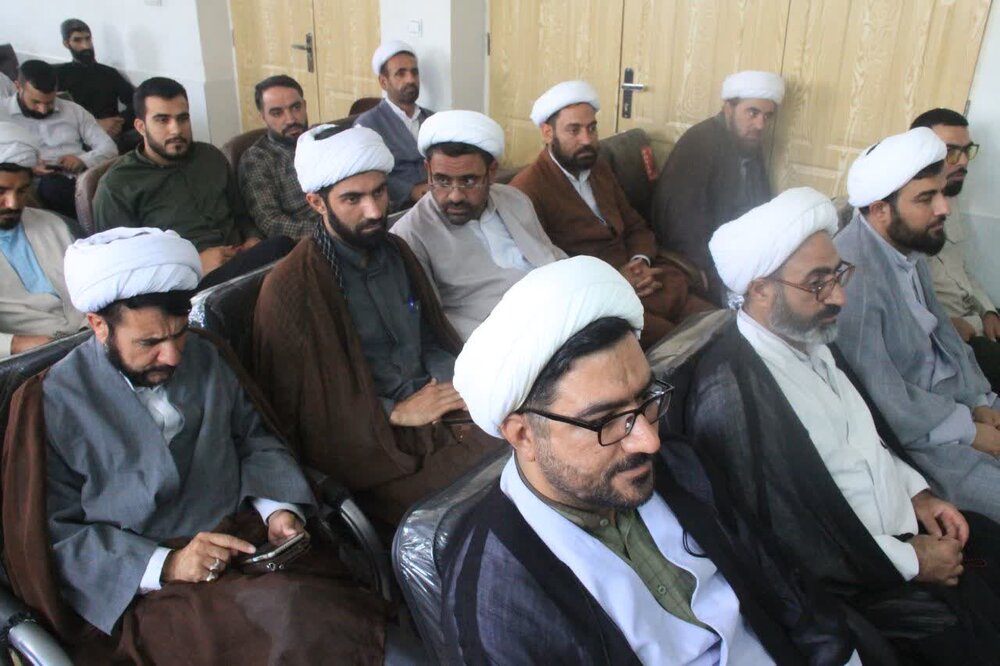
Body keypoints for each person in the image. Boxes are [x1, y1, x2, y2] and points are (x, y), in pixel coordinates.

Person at [442, 255, 862, 664]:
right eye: (605, 420)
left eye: (646, 399)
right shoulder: (496, 605)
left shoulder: (680, 466)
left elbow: (784, 589)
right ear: (523, 435)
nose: (649, 440)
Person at [1, 227, 387, 664]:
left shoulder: (205, 353)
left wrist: (277, 509)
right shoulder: (49, 402)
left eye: (179, 334)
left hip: (248, 541)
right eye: (149, 343)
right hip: (148, 587)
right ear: (98, 325)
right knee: (281, 626)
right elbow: (56, 536)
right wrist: (167, 564)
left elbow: (253, 438)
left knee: (323, 614)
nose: (172, 356)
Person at [689, 187, 1000, 663]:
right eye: (818, 282)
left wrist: (918, 495)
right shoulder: (732, 394)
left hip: (908, 534)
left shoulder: (810, 337)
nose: (838, 296)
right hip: (861, 584)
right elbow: (789, 542)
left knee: (989, 545)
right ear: (759, 288)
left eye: (837, 274)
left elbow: (870, 439)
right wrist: (912, 561)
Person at [253, 126, 504, 528]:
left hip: (440, 411)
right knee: (475, 510)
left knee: (529, 449)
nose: (374, 211)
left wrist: (455, 385)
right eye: (353, 199)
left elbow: (430, 339)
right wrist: (393, 412)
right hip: (370, 449)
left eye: (379, 192)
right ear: (316, 202)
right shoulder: (290, 288)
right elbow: (299, 414)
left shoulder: (396, 252)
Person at [835, 127, 1000, 524]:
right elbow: (882, 399)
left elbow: (946, 337)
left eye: (941, 193)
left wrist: (981, 402)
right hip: (924, 441)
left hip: (959, 406)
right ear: (880, 209)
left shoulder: (906, 245)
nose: (944, 208)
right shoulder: (852, 276)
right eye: (926, 198)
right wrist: (970, 430)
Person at [511, 80, 714, 350]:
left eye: (592, 128)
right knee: (682, 347)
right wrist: (616, 280)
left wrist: (639, 260)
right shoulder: (527, 190)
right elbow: (548, 272)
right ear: (548, 133)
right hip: (600, 301)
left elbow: (635, 225)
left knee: (719, 322)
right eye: (574, 130)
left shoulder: (598, 167)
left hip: (645, 281)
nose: (587, 140)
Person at [93, 77, 293, 289]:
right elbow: (122, 269)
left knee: (296, 253)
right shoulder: (117, 185)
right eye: (163, 120)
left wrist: (253, 239)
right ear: (141, 126)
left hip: (242, 262)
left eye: (182, 119)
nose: (176, 130)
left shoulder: (210, 157)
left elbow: (241, 214)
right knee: (283, 249)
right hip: (184, 284)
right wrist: (193, 263)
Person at [391, 110, 565, 340]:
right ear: (428, 172)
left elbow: (552, 256)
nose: (455, 196)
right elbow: (433, 322)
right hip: (506, 338)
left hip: (562, 305)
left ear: (492, 172)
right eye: (442, 180)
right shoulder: (410, 235)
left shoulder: (515, 199)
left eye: (469, 180)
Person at [651, 70, 784, 304]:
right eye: (752, 113)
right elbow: (678, 220)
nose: (760, 124)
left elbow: (759, 205)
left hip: (744, 250)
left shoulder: (748, 140)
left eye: (767, 116)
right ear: (728, 107)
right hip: (708, 259)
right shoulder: (700, 143)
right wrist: (701, 265)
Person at [909, 108, 1000, 390]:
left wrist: (988, 311)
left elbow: (962, 268)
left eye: (966, 151)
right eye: (950, 152)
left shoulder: (950, 198)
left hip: (976, 318)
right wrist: (952, 325)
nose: (963, 161)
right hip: (950, 337)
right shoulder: (903, 215)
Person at [0, 122, 83, 358]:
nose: (13, 204)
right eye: (1, 191)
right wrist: (16, 345)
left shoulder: (52, 224)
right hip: (24, 361)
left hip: (88, 339)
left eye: (21, 191)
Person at [0, 59, 116, 219]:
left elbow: (109, 148)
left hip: (81, 178)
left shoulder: (73, 111)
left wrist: (83, 160)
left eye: (49, 102)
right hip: (33, 183)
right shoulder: (2, 114)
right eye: (36, 102)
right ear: (18, 86)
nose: (43, 109)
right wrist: (27, 167)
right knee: (53, 187)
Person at [354, 40, 433, 212]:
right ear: (384, 82)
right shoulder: (367, 125)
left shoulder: (433, 119)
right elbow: (366, 176)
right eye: (401, 74)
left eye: (414, 72)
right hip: (397, 208)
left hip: (437, 200)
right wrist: (411, 191)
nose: (410, 79)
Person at [238, 74, 315, 239]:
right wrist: (328, 232)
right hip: (311, 240)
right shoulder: (258, 158)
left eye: (296, 107)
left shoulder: (323, 138)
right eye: (277, 113)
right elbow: (270, 222)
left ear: (305, 105)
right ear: (263, 117)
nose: (290, 119)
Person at [54, 18, 141, 154]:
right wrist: (96, 124)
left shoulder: (109, 73)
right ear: (66, 44)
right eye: (78, 40)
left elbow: (136, 101)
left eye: (88, 39)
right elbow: (58, 112)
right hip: (80, 136)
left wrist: (119, 122)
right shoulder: (59, 76)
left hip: (115, 132)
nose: (86, 46)